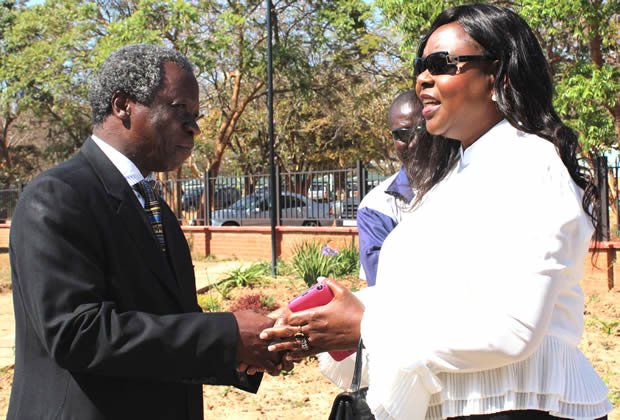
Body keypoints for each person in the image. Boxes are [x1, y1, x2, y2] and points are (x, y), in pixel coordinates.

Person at [261, 4, 612, 419]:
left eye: (442, 64)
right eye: (420, 66)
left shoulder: (530, 165)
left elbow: (513, 329)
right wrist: (318, 318)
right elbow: (428, 298)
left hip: (518, 407)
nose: (422, 79)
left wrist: (365, 325)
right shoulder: (451, 179)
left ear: (498, 75)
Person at [8, 44, 280, 420]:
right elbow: (77, 333)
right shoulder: (58, 196)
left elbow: (170, 325)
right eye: (180, 109)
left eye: (196, 115)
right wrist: (227, 335)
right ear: (123, 105)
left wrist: (251, 347)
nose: (194, 127)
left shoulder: (154, 207)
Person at [358, 90, 459, 286]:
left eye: (422, 131)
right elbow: (385, 282)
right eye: (402, 135)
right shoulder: (376, 207)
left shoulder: (466, 178)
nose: (413, 143)